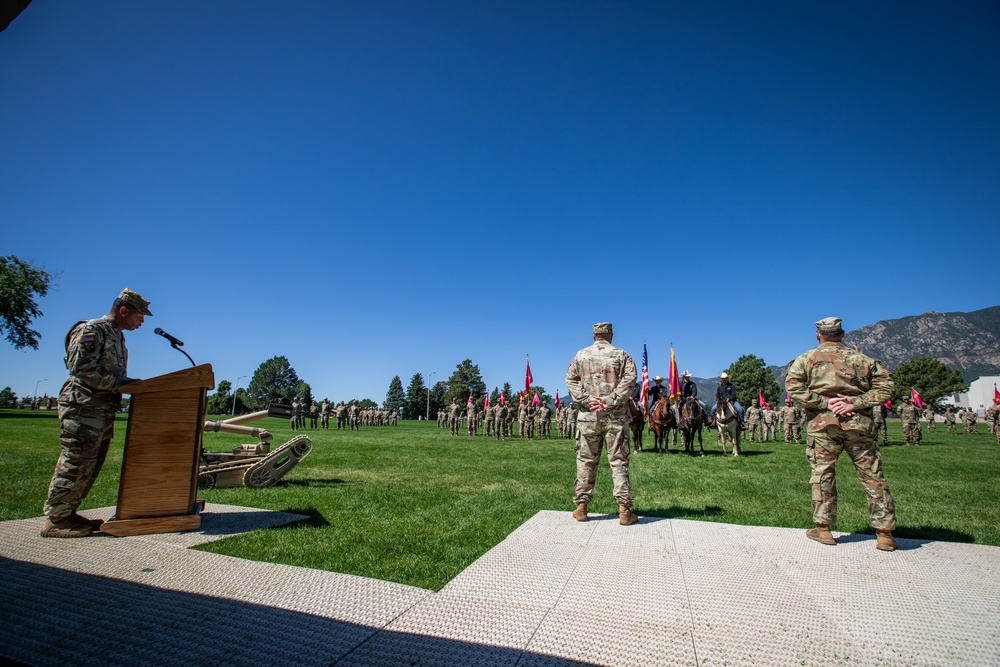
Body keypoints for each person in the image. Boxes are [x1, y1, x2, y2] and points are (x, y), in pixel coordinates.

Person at [41, 288, 152, 538]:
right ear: (124, 310)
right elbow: (82, 368)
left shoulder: (117, 336)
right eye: (140, 315)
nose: (142, 320)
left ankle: (67, 513)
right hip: (83, 408)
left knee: (89, 464)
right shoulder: (92, 330)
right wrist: (124, 385)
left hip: (101, 410)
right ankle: (56, 520)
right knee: (75, 462)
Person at [785, 317, 898, 552]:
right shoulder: (862, 360)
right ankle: (884, 533)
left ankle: (824, 529)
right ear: (842, 334)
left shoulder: (806, 359)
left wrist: (825, 403)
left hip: (823, 425)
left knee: (822, 473)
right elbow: (887, 386)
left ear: (818, 335)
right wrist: (855, 402)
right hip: (859, 424)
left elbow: (793, 387)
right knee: (872, 475)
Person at [565, 322, 639, 526]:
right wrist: (609, 400)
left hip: (588, 418)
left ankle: (581, 508)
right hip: (615, 417)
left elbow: (571, 380)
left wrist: (588, 400)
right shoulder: (621, 355)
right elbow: (630, 380)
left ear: (594, 336)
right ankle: (624, 511)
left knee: (585, 461)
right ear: (611, 335)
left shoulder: (581, 355)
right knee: (618, 461)